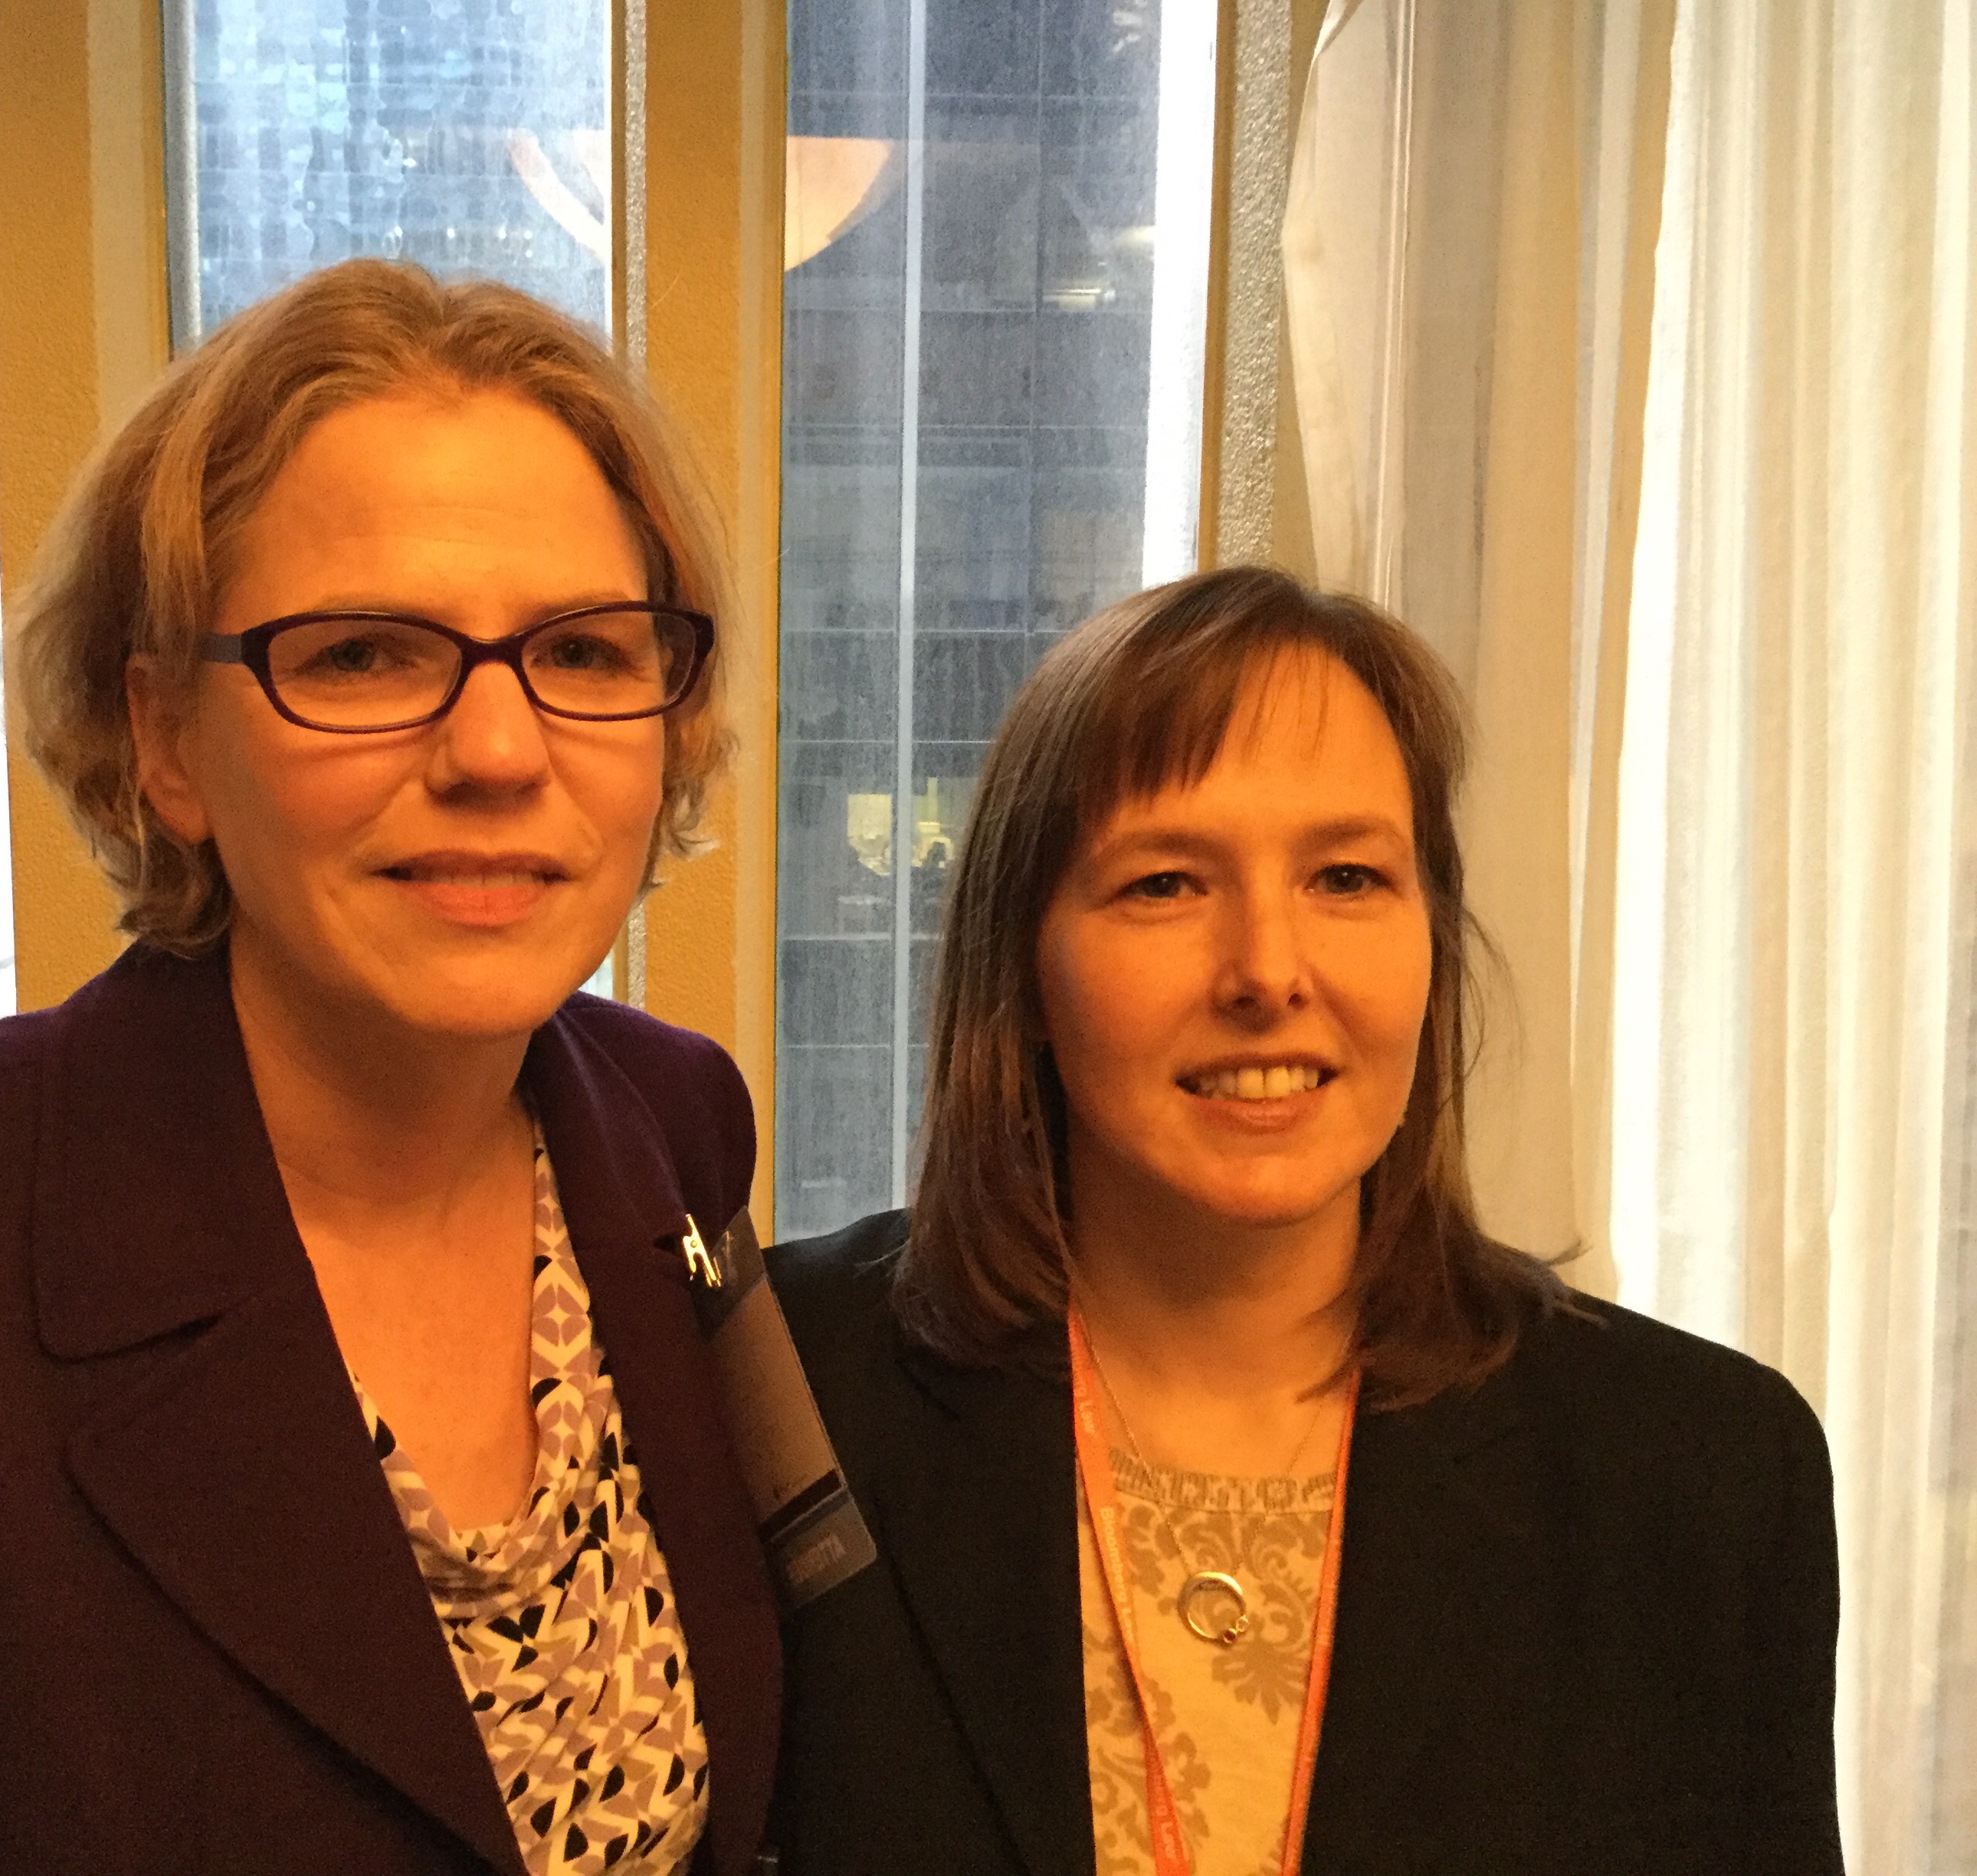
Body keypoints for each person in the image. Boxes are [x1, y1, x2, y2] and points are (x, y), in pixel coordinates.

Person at [0, 260, 779, 1876]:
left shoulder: (669, 1127)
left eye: (591, 652)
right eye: (362, 656)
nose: (496, 750)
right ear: (166, 742)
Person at [766, 566, 1841, 1876]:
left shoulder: (1704, 1476)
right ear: (1024, 965)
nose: (1269, 972)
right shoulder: (771, 1397)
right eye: (1166, 884)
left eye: (1346, 876)